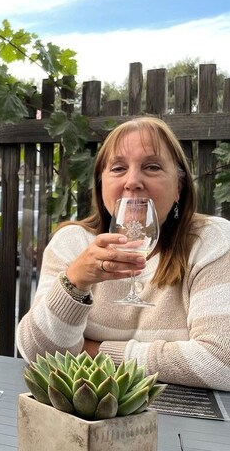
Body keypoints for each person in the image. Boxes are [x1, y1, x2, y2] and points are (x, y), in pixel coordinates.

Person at [17, 116, 230, 392]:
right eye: (118, 168)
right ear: (101, 184)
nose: (132, 181)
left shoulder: (211, 241)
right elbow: (38, 354)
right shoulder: (72, 243)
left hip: (188, 426)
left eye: (151, 167)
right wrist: (74, 283)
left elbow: (220, 361)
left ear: (179, 186)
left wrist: (96, 351)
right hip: (89, 419)